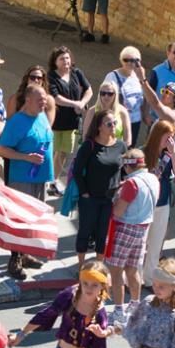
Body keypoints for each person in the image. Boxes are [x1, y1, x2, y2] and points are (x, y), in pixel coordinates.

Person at [0, 73, 54, 279]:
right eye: (40, 101)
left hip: (40, 178)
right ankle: (15, 259)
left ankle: (26, 253)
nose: (43, 104)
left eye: (45, 101)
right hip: (22, 179)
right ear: (28, 101)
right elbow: (2, 149)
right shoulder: (17, 121)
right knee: (20, 219)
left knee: (33, 220)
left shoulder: (41, 116)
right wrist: (25, 157)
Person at [72, 102, 125, 268]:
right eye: (109, 124)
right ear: (100, 127)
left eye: (115, 123)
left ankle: (99, 266)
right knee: (85, 231)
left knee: (103, 234)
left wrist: (121, 186)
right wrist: (84, 192)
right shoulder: (90, 145)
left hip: (110, 199)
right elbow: (77, 170)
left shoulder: (121, 145)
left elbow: (124, 170)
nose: (113, 126)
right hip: (90, 198)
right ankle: (81, 266)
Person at [105, 149, 156, 302]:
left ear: (127, 166)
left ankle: (119, 308)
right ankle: (135, 305)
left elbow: (119, 212)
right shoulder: (153, 178)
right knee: (133, 270)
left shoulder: (131, 184)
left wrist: (113, 202)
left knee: (116, 271)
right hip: (142, 229)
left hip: (126, 228)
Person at [140, 119, 175, 273]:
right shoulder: (143, 152)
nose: (170, 140)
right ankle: (135, 278)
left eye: (172, 137)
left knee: (156, 244)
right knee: (141, 245)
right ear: (158, 135)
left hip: (162, 203)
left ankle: (149, 278)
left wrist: (173, 153)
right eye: (168, 137)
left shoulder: (169, 154)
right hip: (144, 205)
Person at [47, 47, 91, 184]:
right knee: (52, 151)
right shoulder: (51, 76)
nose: (66, 61)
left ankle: (54, 179)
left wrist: (82, 103)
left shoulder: (77, 73)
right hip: (55, 121)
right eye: (62, 58)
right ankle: (47, 178)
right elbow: (56, 98)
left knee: (63, 152)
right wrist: (75, 104)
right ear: (55, 62)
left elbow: (89, 90)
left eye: (67, 57)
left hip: (71, 122)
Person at [103, 47, 148, 147]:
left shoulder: (139, 76)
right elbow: (104, 98)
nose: (130, 63)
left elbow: (145, 96)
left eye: (134, 60)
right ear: (121, 61)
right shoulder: (112, 76)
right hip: (118, 120)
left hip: (135, 120)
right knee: (116, 147)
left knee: (130, 147)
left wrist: (145, 113)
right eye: (126, 60)